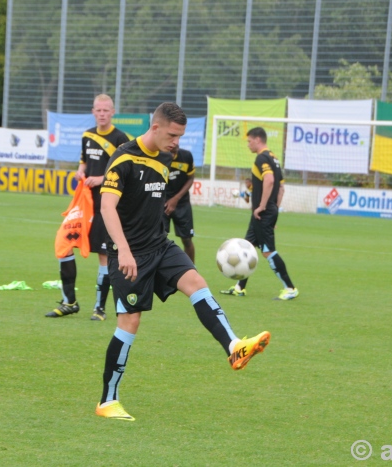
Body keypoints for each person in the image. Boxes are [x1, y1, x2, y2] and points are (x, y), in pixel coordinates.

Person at [94, 102, 271, 422]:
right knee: (129, 323)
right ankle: (108, 401)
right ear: (155, 127)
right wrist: (124, 249)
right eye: (172, 134)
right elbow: (107, 208)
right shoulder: (123, 158)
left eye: (181, 135)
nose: (177, 141)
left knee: (197, 284)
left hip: (159, 245)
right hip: (127, 253)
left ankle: (233, 347)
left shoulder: (167, 156)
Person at [45, 94, 130, 320]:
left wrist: (101, 179)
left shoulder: (121, 139)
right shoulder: (87, 135)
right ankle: (69, 302)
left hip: (107, 203)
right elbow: (84, 161)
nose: (101, 114)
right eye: (98, 110)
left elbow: (124, 172)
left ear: (112, 112)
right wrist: (81, 171)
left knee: (103, 254)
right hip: (84, 203)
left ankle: (99, 308)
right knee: (64, 243)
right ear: (93, 111)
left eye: (106, 110)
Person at [220, 127, 298, 300]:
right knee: (247, 246)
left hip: (262, 212)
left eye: (249, 141)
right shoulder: (274, 159)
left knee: (267, 251)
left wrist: (262, 206)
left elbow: (269, 180)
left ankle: (290, 288)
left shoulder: (261, 158)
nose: (248, 145)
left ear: (257, 140)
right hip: (267, 212)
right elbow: (281, 188)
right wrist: (274, 209)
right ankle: (240, 287)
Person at [163, 147, 196, 262]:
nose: (172, 155)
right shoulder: (158, 156)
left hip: (182, 203)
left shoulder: (186, 156)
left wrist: (176, 198)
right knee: (159, 239)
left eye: (174, 152)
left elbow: (191, 178)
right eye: (169, 152)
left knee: (187, 239)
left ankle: (192, 270)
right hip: (162, 204)